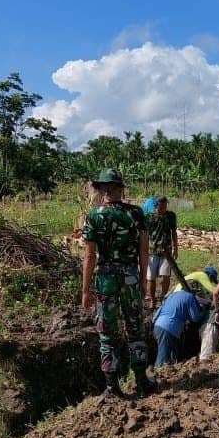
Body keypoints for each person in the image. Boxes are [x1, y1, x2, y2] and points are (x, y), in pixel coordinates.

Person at [82, 168, 157, 398]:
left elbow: (89, 256)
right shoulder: (136, 214)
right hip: (130, 277)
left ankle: (112, 386)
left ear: (103, 190)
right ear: (121, 189)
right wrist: (143, 280)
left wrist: (86, 290)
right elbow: (144, 250)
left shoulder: (94, 216)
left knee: (108, 333)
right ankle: (142, 381)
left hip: (105, 279)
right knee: (135, 329)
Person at [152, 289, 212, 367]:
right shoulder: (190, 297)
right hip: (169, 328)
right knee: (163, 358)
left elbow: (158, 312)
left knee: (172, 355)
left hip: (158, 325)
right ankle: (158, 374)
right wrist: (203, 311)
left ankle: (169, 374)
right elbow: (195, 317)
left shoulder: (173, 295)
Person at [145, 195, 179, 308]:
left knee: (166, 276)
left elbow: (173, 232)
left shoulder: (170, 216)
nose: (164, 208)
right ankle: (152, 300)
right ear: (156, 206)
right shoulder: (149, 217)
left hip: (166, 251)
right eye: (161, 206)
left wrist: (176, 248)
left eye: (165, 205)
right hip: (152, 251)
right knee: (151, 277)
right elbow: (144, 235)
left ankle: (164, 297)